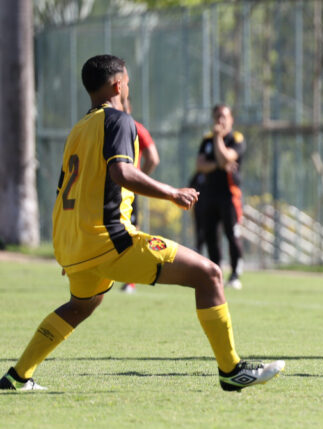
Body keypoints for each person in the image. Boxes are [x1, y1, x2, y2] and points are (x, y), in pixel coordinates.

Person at [0, 55, 283, 392]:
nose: (128, 88)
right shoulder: (118, 120)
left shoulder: (79, 129)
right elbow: (122, 172)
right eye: (128, 83)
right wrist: (172, 193)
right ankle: (231, 370)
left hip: (77, 245)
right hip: (110, 241)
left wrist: (69, 245)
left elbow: (65, 191)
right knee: (210, 275)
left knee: (81, 305)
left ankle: (18, 376)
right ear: (118, 85)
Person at [195, 104, 246, 290]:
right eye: (217, 116)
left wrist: (218, 140)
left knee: (232, 234)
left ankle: (235, 273)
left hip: (229, 195)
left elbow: (228, 158)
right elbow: (200, 164)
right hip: (209, 194)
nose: (220, 120)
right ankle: (217, 272)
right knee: (210, 236)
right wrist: (220, 163)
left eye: (224, 116)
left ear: (231, 119)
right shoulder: (206, 140)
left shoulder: (236, 139)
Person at [120, 95, 160, 294]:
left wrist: (138, 180)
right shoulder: (111, 126)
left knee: (129, 233)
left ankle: (131, 280)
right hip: (118, 189)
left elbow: (153, 157)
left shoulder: (134, 128)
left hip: (125, 190)